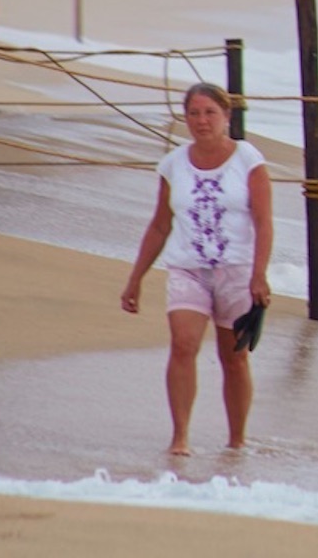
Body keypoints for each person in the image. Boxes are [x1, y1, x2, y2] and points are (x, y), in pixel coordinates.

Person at [121, 82, 273, 456]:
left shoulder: (248, 160)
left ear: (226, 116)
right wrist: (135, 278)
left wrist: (259, 274)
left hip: (236, 270)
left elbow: (264, 221)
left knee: (234, 358)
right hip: (188, 268)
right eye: (194, 113)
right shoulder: (173, 164)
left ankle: (237, 439)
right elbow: (160, 225)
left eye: (210, 113)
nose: (202, 121)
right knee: (183, 343)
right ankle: (180, 438)